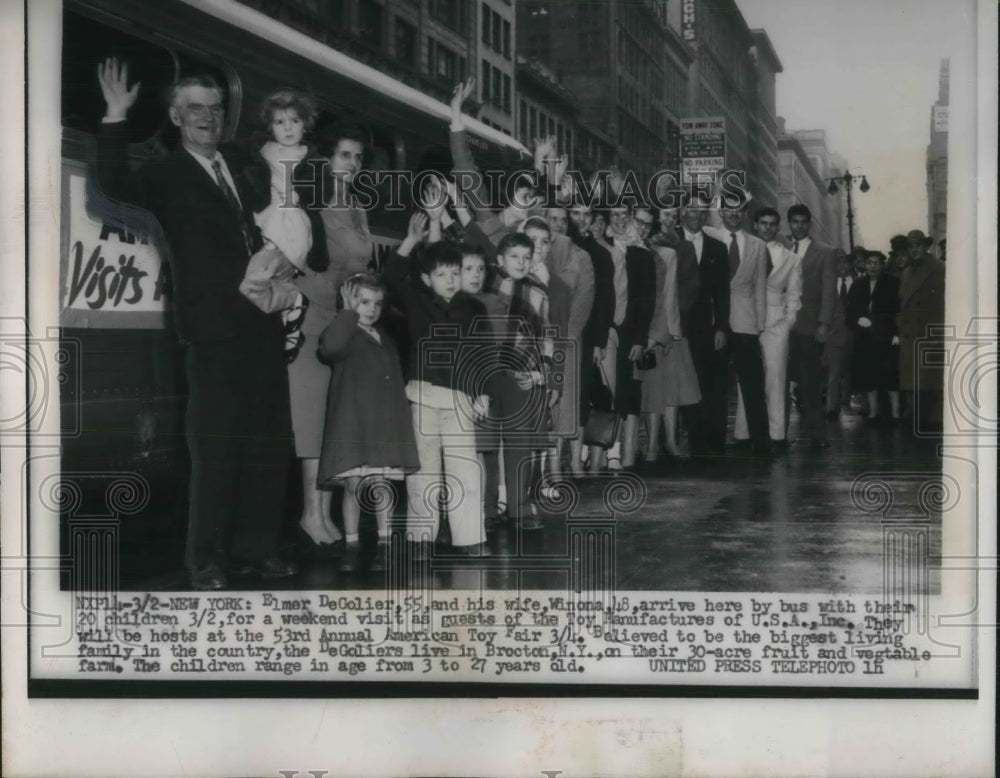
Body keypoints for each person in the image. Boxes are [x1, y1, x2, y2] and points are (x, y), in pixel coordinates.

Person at [93, 59, 297, 590]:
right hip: (213, 328)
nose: (206, 116)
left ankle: (257, 548)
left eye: (214, 108)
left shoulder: (239, 164)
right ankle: (206, 559)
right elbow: (111, 189)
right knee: (216, 445)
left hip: (262, 321)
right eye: (194, 109)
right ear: (176, 117)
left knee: (267, 442)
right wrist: (116, 115)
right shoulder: (164, 174)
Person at [288, 123, 373, 551]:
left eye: (357, 157)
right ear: (326, 159)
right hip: (312, 317)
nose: (352, 164)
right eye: (344, 155)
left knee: (329, 421)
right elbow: (298, 263)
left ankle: (319, 513)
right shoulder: (311, 204)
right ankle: (310, 513)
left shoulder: (357, 208)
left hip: (342, 323)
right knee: (310, 420)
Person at [384, 216, 491, 555]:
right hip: (424, 398)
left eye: (455, 273)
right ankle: (420, 539)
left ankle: (470, 538)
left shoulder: (474, 309)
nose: (450, 280)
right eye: (442, 275)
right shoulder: (416, 301)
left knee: (465, 469)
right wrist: (410, 240)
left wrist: (482, 391)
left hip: (461, 400)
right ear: (427, 278)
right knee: (423, 470)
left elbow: (482, 353)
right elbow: (389, 277)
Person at [316, 274, 419, 572]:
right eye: (363, 302)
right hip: (354, 426)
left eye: (377, 303)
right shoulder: (343, 332)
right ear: (347, 302)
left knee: (380, 486)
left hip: (382, 427)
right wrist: (347, 314)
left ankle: (385, 545)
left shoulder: (385, 339)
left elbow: (395, 383)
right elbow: (330, 349)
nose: (372, 309)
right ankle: (352, 544)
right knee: (353, 486)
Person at [240, 90, 318, 362]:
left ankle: (294, 302)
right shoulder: (263, 152)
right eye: (279, 122)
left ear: (305, 124)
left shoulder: (310, 158)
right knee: (277, 282)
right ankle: (291, 325)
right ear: (269, 126)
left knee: (251, 282)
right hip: (272, 225)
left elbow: (317, 198)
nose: (287, 128)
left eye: (294, 121)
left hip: (286, 228)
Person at [488, 232, 557, 530]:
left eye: (526, 257)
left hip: (522, 375)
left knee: (521, 444)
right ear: (500, 259)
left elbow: (546, 337)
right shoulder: (486, 287)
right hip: (487, 374)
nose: (520, 262)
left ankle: (518, 507)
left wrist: (544, 374)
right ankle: (487, 509)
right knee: (486, 445)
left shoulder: (539, 293)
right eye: (514, 256)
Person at [707, 199, 770, 455]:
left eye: (739, 209)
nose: (733, 213)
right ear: (721, 212)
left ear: (745, 213)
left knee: (753, 383)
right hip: (713, 321)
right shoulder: (708, 237)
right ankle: (715, 442)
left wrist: (760, 323)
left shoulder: (757, 245)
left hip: (745, 322)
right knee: (716, 384)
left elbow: (760, 287)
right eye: (728, 209)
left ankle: (761, 441)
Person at [736, 207, 801, 452]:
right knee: (747, 378)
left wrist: (787, 321)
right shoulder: (744, 250)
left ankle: (777, 437)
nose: (768, 228)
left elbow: (795, 294)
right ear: (755, 225)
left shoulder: (791, 258)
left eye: (773, 224)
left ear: (778, 227)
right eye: (763, 223)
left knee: (776, 378)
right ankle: (743, 435)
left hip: (775, 323)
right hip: (746, 321)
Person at [540, 207, 594, 478]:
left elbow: (585, 299)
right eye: (553, 219)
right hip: (540, 335)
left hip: (569, 338)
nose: (559, 224)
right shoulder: (538, 251)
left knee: (565, 402)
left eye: (563, 220)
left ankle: (563, 463)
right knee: (544, 400)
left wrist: (568, 336)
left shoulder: (581, 256)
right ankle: (547, 466)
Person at [638, 231, 701, 457]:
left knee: (672, 387)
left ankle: (672, 442)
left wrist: (669, 331)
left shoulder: (668, 254)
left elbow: (670, 295)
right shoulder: (636, 251)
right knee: (651, 388)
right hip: (643, 327)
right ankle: (652, 443)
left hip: (669, 327)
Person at [679, 200, 730, 460]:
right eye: (692, 210)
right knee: (682, 385)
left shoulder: (717, 248)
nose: (697, 215)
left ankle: (713, 440)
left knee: (711, 384)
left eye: (702, 212)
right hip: (675, 325)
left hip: (706, 327)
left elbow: (723, 294)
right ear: (682, 213)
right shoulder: (669, 242)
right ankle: (688, 439)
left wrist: (722, 327)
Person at [606, 207, 657, 469]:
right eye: (614, 215)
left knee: (629, 390)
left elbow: (647, 301)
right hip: (604, 328)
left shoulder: (642, 255)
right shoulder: (600, 246)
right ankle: (601, 449)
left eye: (625, 215)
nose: (620, 220)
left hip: (629, 331)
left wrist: (639, 338)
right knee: (604, 390)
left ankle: (624, 452)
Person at [785, 204, 839, 449]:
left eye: (803, 222)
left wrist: (823, 323)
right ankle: (779, 434)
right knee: (779, 381)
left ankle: (818, 434)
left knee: (810, 383)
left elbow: (829, 290)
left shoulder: (825, 252)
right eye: (795, 221)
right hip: (779, 325)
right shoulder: (779, 247)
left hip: (808, 326)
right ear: (789, 223)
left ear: (810, 224)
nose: (799, 226)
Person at [568, 202, 615, 474]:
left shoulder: (600, 254)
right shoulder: (558, 246)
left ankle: (577, 461)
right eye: (576, 213)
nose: (582, 220)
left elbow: (605, 302)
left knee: (582, 395)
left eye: (587, 215)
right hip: (560, 330)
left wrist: (599, 342)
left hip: (587, 336)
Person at [897, 229, 946, 431]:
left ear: (925, 246)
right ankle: (917, 417)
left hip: (929, 332)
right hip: (910, 334)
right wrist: (899, 326)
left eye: (918, 245)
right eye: (910, 246)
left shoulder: (939, 268)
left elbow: (945, 303)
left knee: (931, 381)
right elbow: (901, 304)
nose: (914, 249)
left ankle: (933, 419)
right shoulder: (906, 272)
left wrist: (940, 332)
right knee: (914, 381)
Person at [849, 251, 901, 425]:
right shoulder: (857, 285)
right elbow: (850, 310)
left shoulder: (893, 284)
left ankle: (895, 414)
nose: (873, 266)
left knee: (890, 375)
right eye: (870, 262)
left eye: (877, 263)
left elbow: (897, 311)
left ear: (883, 265)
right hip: (865, 337)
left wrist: (896, 333)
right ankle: (873, 412)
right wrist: (858, 319)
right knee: (869, 375)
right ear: (865, 264)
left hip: (886, 336)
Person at [825, 250, 859, 420]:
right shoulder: (829, 284)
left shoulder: (858, 283)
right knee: (834, 371)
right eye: (839, 263)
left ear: (851, 265)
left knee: (853, 369)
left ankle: (849, 401)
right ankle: (832, 407)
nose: (842, 266)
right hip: (835, 333)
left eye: (846, 262)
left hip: (855, 333)